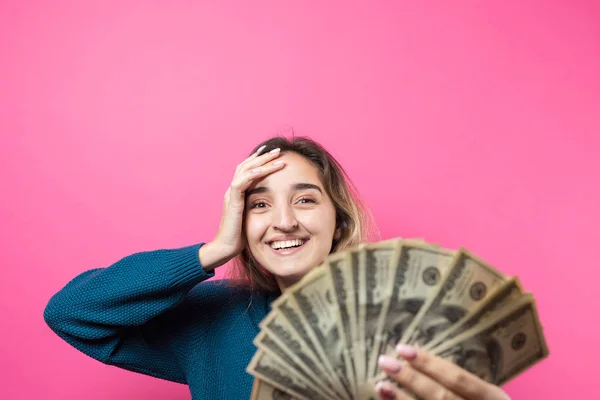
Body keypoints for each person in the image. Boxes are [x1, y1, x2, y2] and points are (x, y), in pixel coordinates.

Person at [44, 136, 511, 400]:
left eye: (305, 199)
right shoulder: (211, 319)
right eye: (259, 204)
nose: (284, 221)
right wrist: (211, 250)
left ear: (338, 219)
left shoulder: (410, 327)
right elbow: (72, 313)